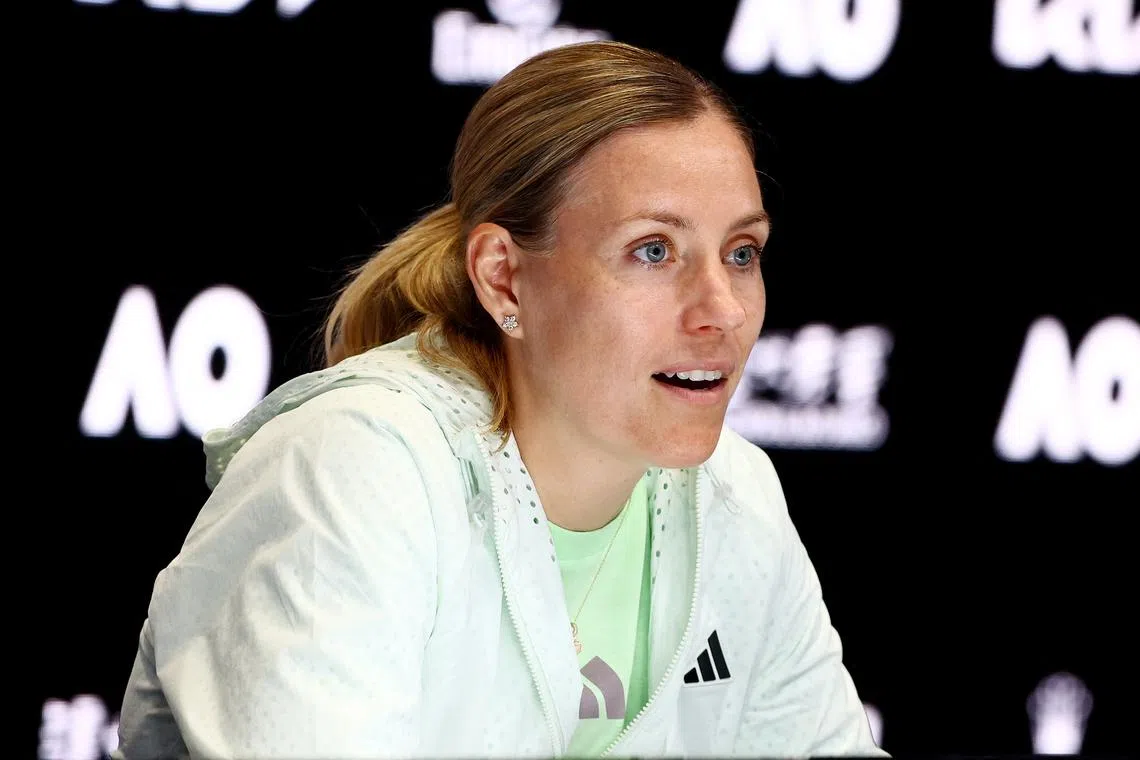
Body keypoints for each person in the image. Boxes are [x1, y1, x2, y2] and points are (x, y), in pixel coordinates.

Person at [113, 40, 884, 759]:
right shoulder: (353, 470)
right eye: (653, 251)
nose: (722, 309)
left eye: (742, 253)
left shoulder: (737, 493)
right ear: (503, 278)